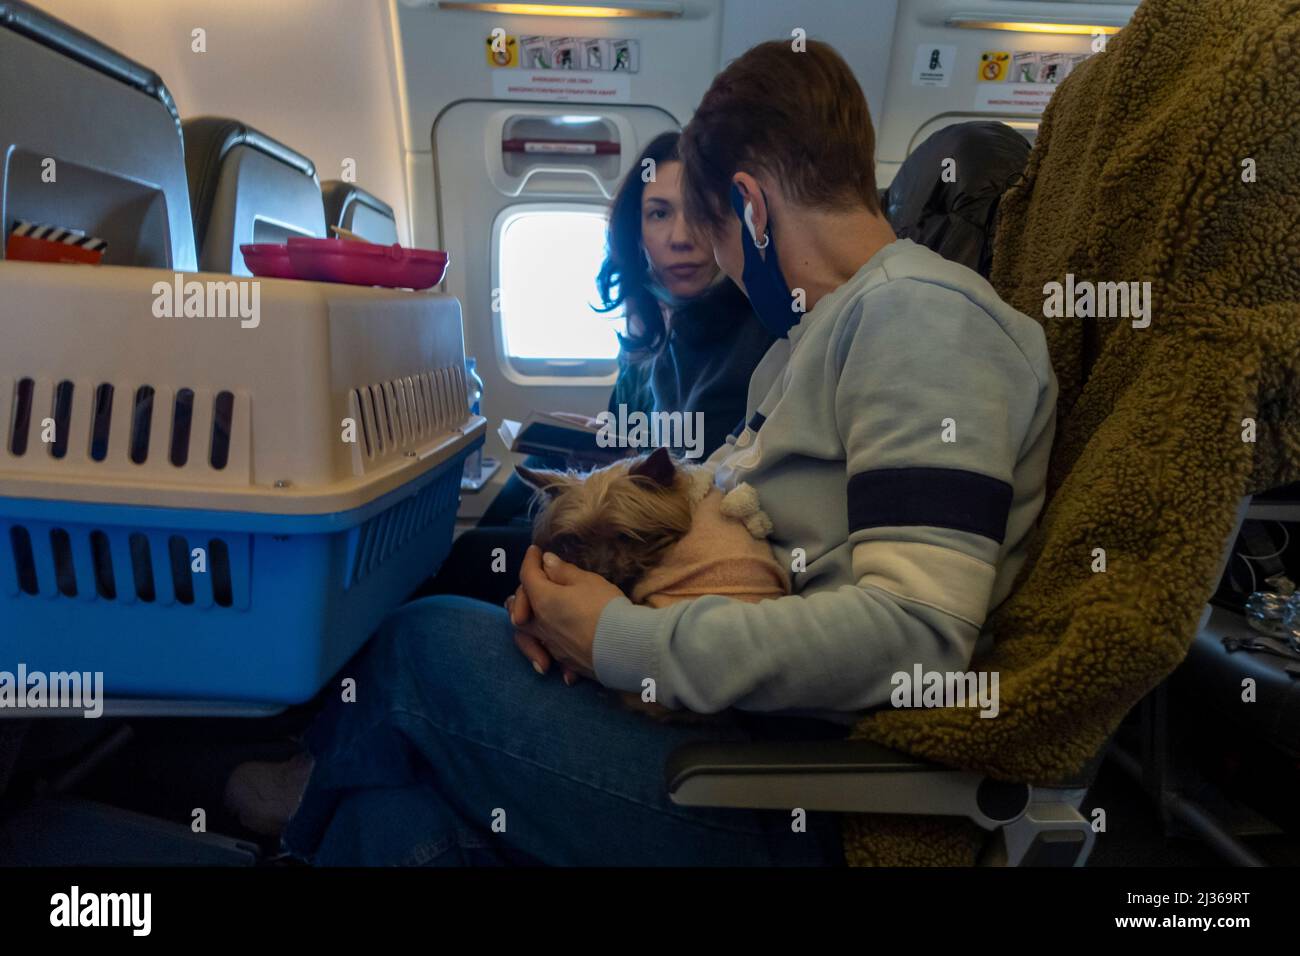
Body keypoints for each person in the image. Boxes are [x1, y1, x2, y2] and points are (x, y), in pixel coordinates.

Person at [232, 40, 1057, 867]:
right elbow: (710, 498)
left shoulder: (924, 321)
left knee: (422, 643)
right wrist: (564, 589)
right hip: (735, 734)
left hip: (797, 791)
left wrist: (619, 641)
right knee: (391, 831)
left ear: (752, 207)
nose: (722, 264)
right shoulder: (810, 342)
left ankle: (287, 798)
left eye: (716, 234)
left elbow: (916, 637)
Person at [422, 131, 771, 603]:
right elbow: (641, 430)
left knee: (470, 557)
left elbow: (703, 468)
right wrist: (604, 435)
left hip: (658, 525)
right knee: (535, 466)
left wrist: (629, 451)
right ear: (636, 230)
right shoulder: (653, 328)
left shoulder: (753, 329)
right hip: (632, 484)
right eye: (659, 213)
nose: (681, 238)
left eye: (699, 213)